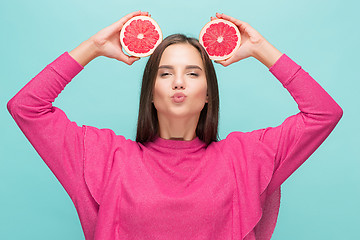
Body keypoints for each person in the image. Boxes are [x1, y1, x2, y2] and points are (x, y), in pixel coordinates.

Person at [7, 10, 343, 240]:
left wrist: (261, 49)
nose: (178, 82)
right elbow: (26, 108)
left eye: (192, 73)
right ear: (150, 94)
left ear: (208, 94)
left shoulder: (246, 156)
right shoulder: (107, 156)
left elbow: (324, 114)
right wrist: (93, 47)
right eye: (165, 73)